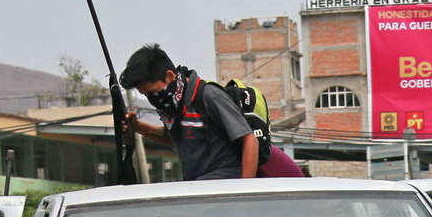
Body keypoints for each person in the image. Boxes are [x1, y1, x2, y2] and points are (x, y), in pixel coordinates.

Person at [119, 43, 303, 180]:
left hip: (223, 189)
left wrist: (244, 194)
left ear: (169, 76)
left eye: (152, 92)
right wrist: (139, 127)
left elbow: (249, 140)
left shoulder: (208, 95)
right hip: (200, 190)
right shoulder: (175, 107)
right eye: (146, 95)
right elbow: (175, 140)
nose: (153, 98)